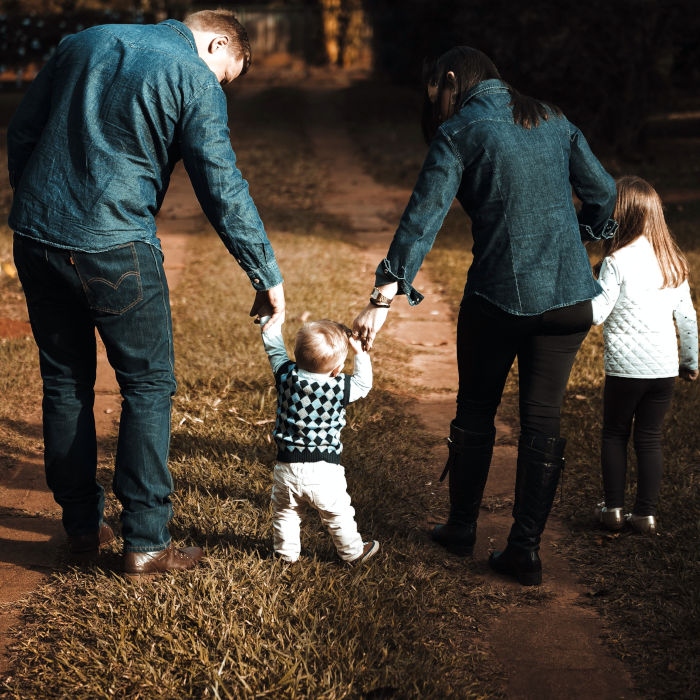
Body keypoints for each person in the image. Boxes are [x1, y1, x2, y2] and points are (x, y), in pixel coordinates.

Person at [8, 9, 285, 576]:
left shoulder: (81, 41)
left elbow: (22, 132)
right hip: (116, 246)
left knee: (65, 381)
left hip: (36, 237)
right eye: (226, 76)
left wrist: (37, 205)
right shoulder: (194, 77)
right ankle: (148, 540)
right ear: (217, 44)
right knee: (148, 385)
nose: (219, 87)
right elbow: (221, 186)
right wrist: (265, 273)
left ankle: (82, 527)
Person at [353, 46, 617, 586]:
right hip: (569, 302)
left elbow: (420, 221)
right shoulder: (553, 118)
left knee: (476, 409)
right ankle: (525, 551)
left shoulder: (460, 132)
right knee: (543, 418)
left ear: (451, 81)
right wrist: (585, 236)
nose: (440, 110)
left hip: (497, 301)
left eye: (439, 97)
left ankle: (460, 528)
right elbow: (605, 194)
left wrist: (381, 301)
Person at [591, 176, 698, 534]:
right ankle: (646, 515)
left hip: (624, 371)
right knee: (650, 437)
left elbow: (597, 314)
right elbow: (687, 318)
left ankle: (613, 511)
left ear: (619, 215)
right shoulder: (672, 262)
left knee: (615, 434)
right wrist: (690, 362)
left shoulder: (616, 262)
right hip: (664, 369)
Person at [258, 315, 378, 565]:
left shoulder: (286, 376)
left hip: (286, 467)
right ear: (336, 369)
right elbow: (363, 384)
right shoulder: (339, 387)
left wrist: (269, 321)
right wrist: (360, 354)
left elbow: (274, 350)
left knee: (286, 512)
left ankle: (285, 554)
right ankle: (353, 552)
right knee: (338, 514)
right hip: (325, 471)